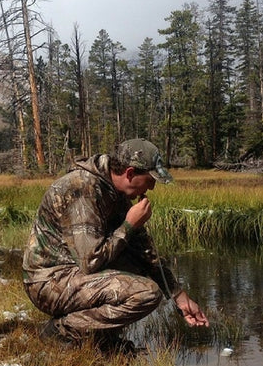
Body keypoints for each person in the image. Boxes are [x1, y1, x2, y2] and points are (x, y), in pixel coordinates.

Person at [22, 138, 209, 350]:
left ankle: (100, 339)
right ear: (130, 173)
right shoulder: (83, 189)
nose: (152, 188)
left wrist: (178, 296)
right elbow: (90, 262)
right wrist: (129, 225)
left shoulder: (114, 192)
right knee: (145, 293)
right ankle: (62, 332)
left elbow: (145, 252)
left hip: (71, 275)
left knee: (138, 265)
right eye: (150, 180)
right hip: (48, 281)